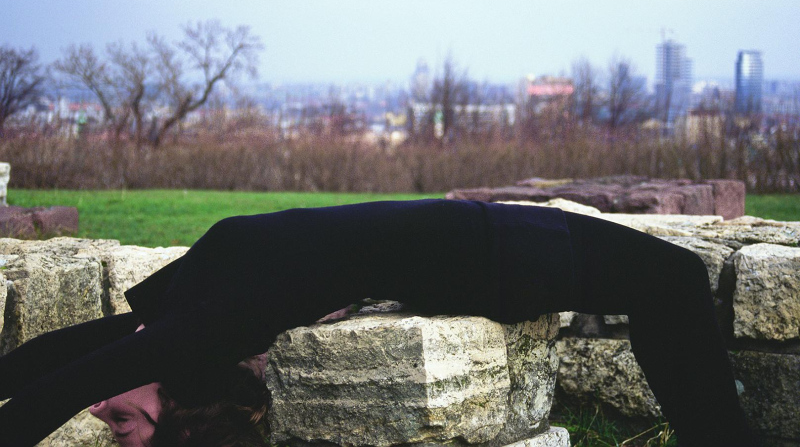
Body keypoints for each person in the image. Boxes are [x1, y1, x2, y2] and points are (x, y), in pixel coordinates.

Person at [0, 199, 758, 447]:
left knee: (671, 283)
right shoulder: (206, 321)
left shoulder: (184, 311)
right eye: (123, 421)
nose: (100, 407)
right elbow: (77, 375)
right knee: (674, 282)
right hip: (495, 250)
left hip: (492, 238)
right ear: (175, 389)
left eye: (117, 420)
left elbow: (71, 357)